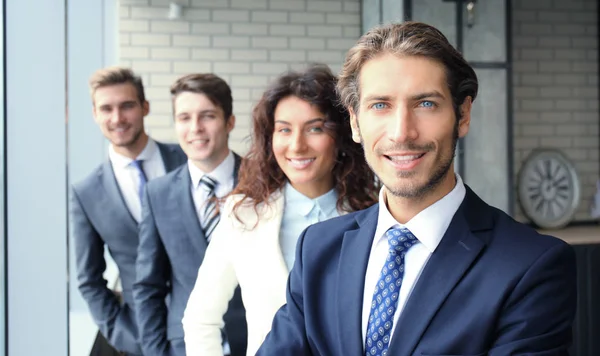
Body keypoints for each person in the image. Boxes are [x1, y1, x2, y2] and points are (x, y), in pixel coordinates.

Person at [257, 21, 577, 356]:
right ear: (354, 121)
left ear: (463, 114)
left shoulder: (530, 266)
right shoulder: (319, 249)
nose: (401, 132)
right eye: (380, 105)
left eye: (425, 103)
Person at [182, 64, 380, 356]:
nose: (297, 146)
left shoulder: (373, 213)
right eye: (284, 130)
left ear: (339, 137)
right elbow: (200, 318)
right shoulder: (244, 213)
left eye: (315, 128)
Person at [71, 66, 186, 355]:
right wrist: (125, 335)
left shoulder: (188, 160)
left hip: (202, 327)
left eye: (127, 106)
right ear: (95, 114)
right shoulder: (86, 193)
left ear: (145, 107)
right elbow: (89, 279)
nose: (117, 118)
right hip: (139, 336)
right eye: (106, 108)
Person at [133, 73, 247, 356]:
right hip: (184, 345)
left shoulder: (264, 182)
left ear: (229, 121)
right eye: (184, 118)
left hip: (256, 339)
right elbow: (149, 286)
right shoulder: (157, 193)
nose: (195, 128)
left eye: (207, 116)